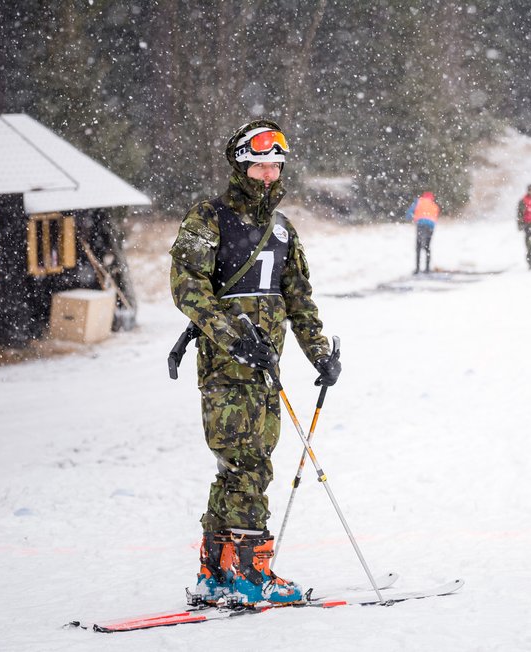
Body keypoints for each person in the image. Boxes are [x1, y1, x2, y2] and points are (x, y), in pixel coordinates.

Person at [169, 119, 341, 607]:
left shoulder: (284, 230)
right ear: (240, 165)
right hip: (227, 368)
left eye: (274, 165)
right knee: (247, 463)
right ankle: (248, 574)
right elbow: (188, 289)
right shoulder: (209, 218)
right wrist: (232, 338)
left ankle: (217, 571)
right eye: (259, 164)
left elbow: (299, 299)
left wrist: (320, 353)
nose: (267, 174)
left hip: (268, 366)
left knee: (238, 465)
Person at [407, 191, 440, 274]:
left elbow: (410, 212)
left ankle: (417, 269)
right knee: (427, 246)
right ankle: (427, 269)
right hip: (430, 226)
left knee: (418, 246)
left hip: (421, 224)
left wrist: (409, 218)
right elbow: (436, 216)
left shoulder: (419, 202)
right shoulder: (434, 206)